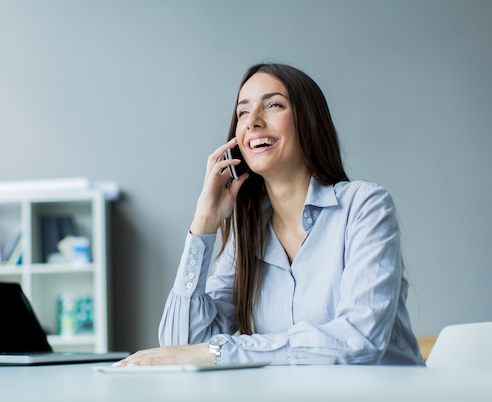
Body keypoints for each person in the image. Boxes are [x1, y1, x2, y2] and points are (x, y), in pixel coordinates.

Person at [117, 63, 425, 366]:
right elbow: (180, 348)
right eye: (243, 112)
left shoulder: (364, 206)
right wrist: (204, 224)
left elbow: (359, 340)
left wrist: (222, 351)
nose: (253, 121)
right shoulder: (248, 237)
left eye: (273, 105)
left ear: (308, 121)